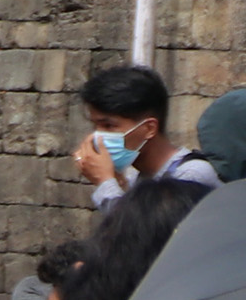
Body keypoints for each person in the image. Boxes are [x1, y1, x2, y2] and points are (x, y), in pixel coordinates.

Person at [70, 60, 218, 208]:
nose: (98, 137)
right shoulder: (136, 179)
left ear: (149, 128)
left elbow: (143, 230)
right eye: (95, 126)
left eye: (109, 126)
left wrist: (105, 182)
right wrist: (119, 185)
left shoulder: (191, 175)